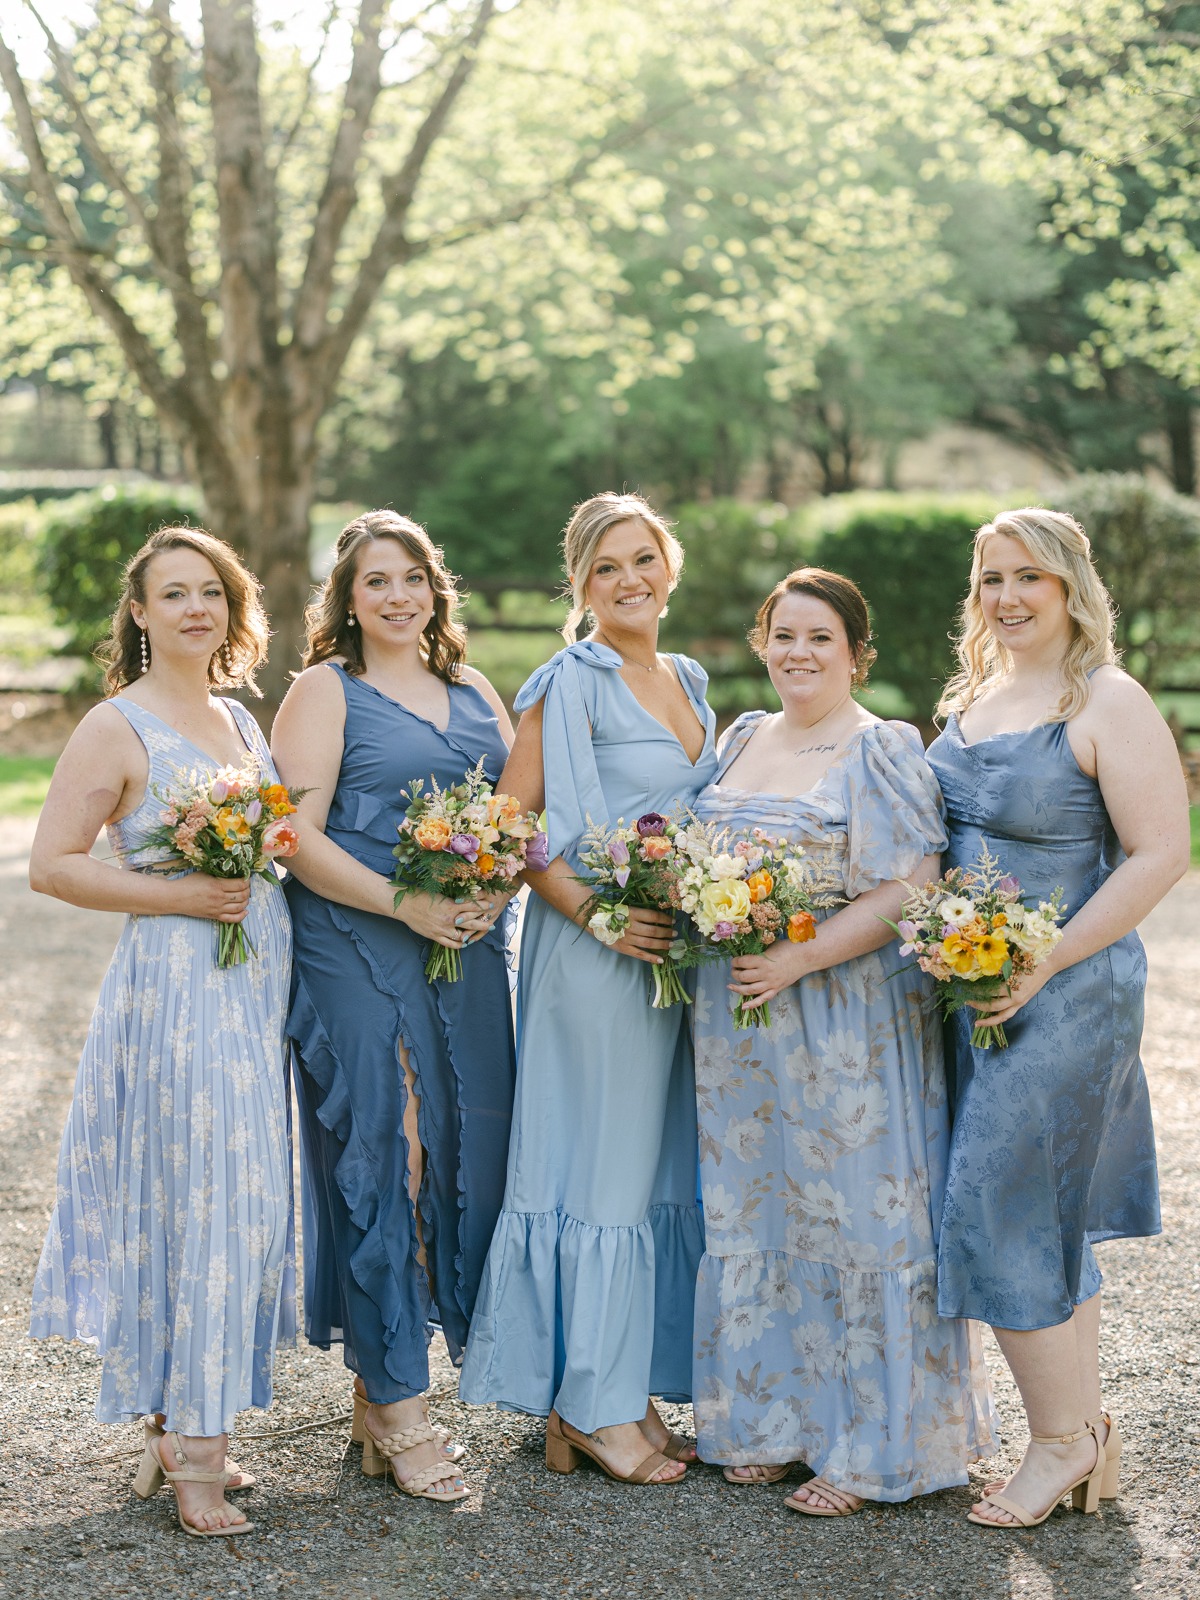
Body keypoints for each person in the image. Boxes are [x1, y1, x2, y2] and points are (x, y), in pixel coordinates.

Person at [691, 567, 996, 1514]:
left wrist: (797, 957)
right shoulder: (742, 736)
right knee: (761, 1206)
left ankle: (873, 1448)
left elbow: (910, 888)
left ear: (857, 653)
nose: (798, 653)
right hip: (740, 1030)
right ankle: (776, 1421)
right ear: (761, 643)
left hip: (847, 1021)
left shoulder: (883, 748)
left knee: (857, 1215)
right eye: (783, 634)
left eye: (820, 637)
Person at [926, 507, 1189, 1529]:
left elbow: (1161, 851)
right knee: (1047, 1210)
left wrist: (1045, 959)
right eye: (991, 578)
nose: (1007, 596)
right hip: (972, 991)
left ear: (1072, 585)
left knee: (994, 1204)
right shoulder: (977, 693)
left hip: (1071, 991)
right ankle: (1085, 1439)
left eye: (1028, 576)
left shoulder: (1107, 700)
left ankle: (1055, 1445)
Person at [29, 527, 292, 1537]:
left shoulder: (236, 716)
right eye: (173, 594)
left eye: (211, 593)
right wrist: (179, 894)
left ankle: (172, 1420)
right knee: (210, 1200)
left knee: (228, 1197)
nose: (196, 609)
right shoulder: (116, 725)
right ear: (137, 613)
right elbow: (51, 864)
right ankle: (195, 1453)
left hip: (253, 982)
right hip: (180, 989)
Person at [460, 492, 717, 1485]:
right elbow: (516, 823)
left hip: (672, 955)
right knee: (601, 1169)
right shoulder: (565, 682)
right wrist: (601, 916)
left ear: (670, 565)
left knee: (655, 1170)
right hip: (594, 949)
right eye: (607, 565)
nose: (630, 579)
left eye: (644, 558)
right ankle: (589, 1405)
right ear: (579, 583)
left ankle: (626, 1386)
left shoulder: (686, 675)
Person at [271, 510, 516, 1505]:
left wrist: (498, 882)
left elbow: (513, 812)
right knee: (391, 1152)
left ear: (435, 588)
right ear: (348, 598)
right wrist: (401, 900)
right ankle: (405, 1408)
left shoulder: (474, 688)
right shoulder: (324, 690)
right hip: (357, 939)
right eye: (376, 581)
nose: (398, 595)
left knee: (465, 1156)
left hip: (464, 952)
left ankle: (383, 1396)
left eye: (412, 576)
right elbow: (291, 833)